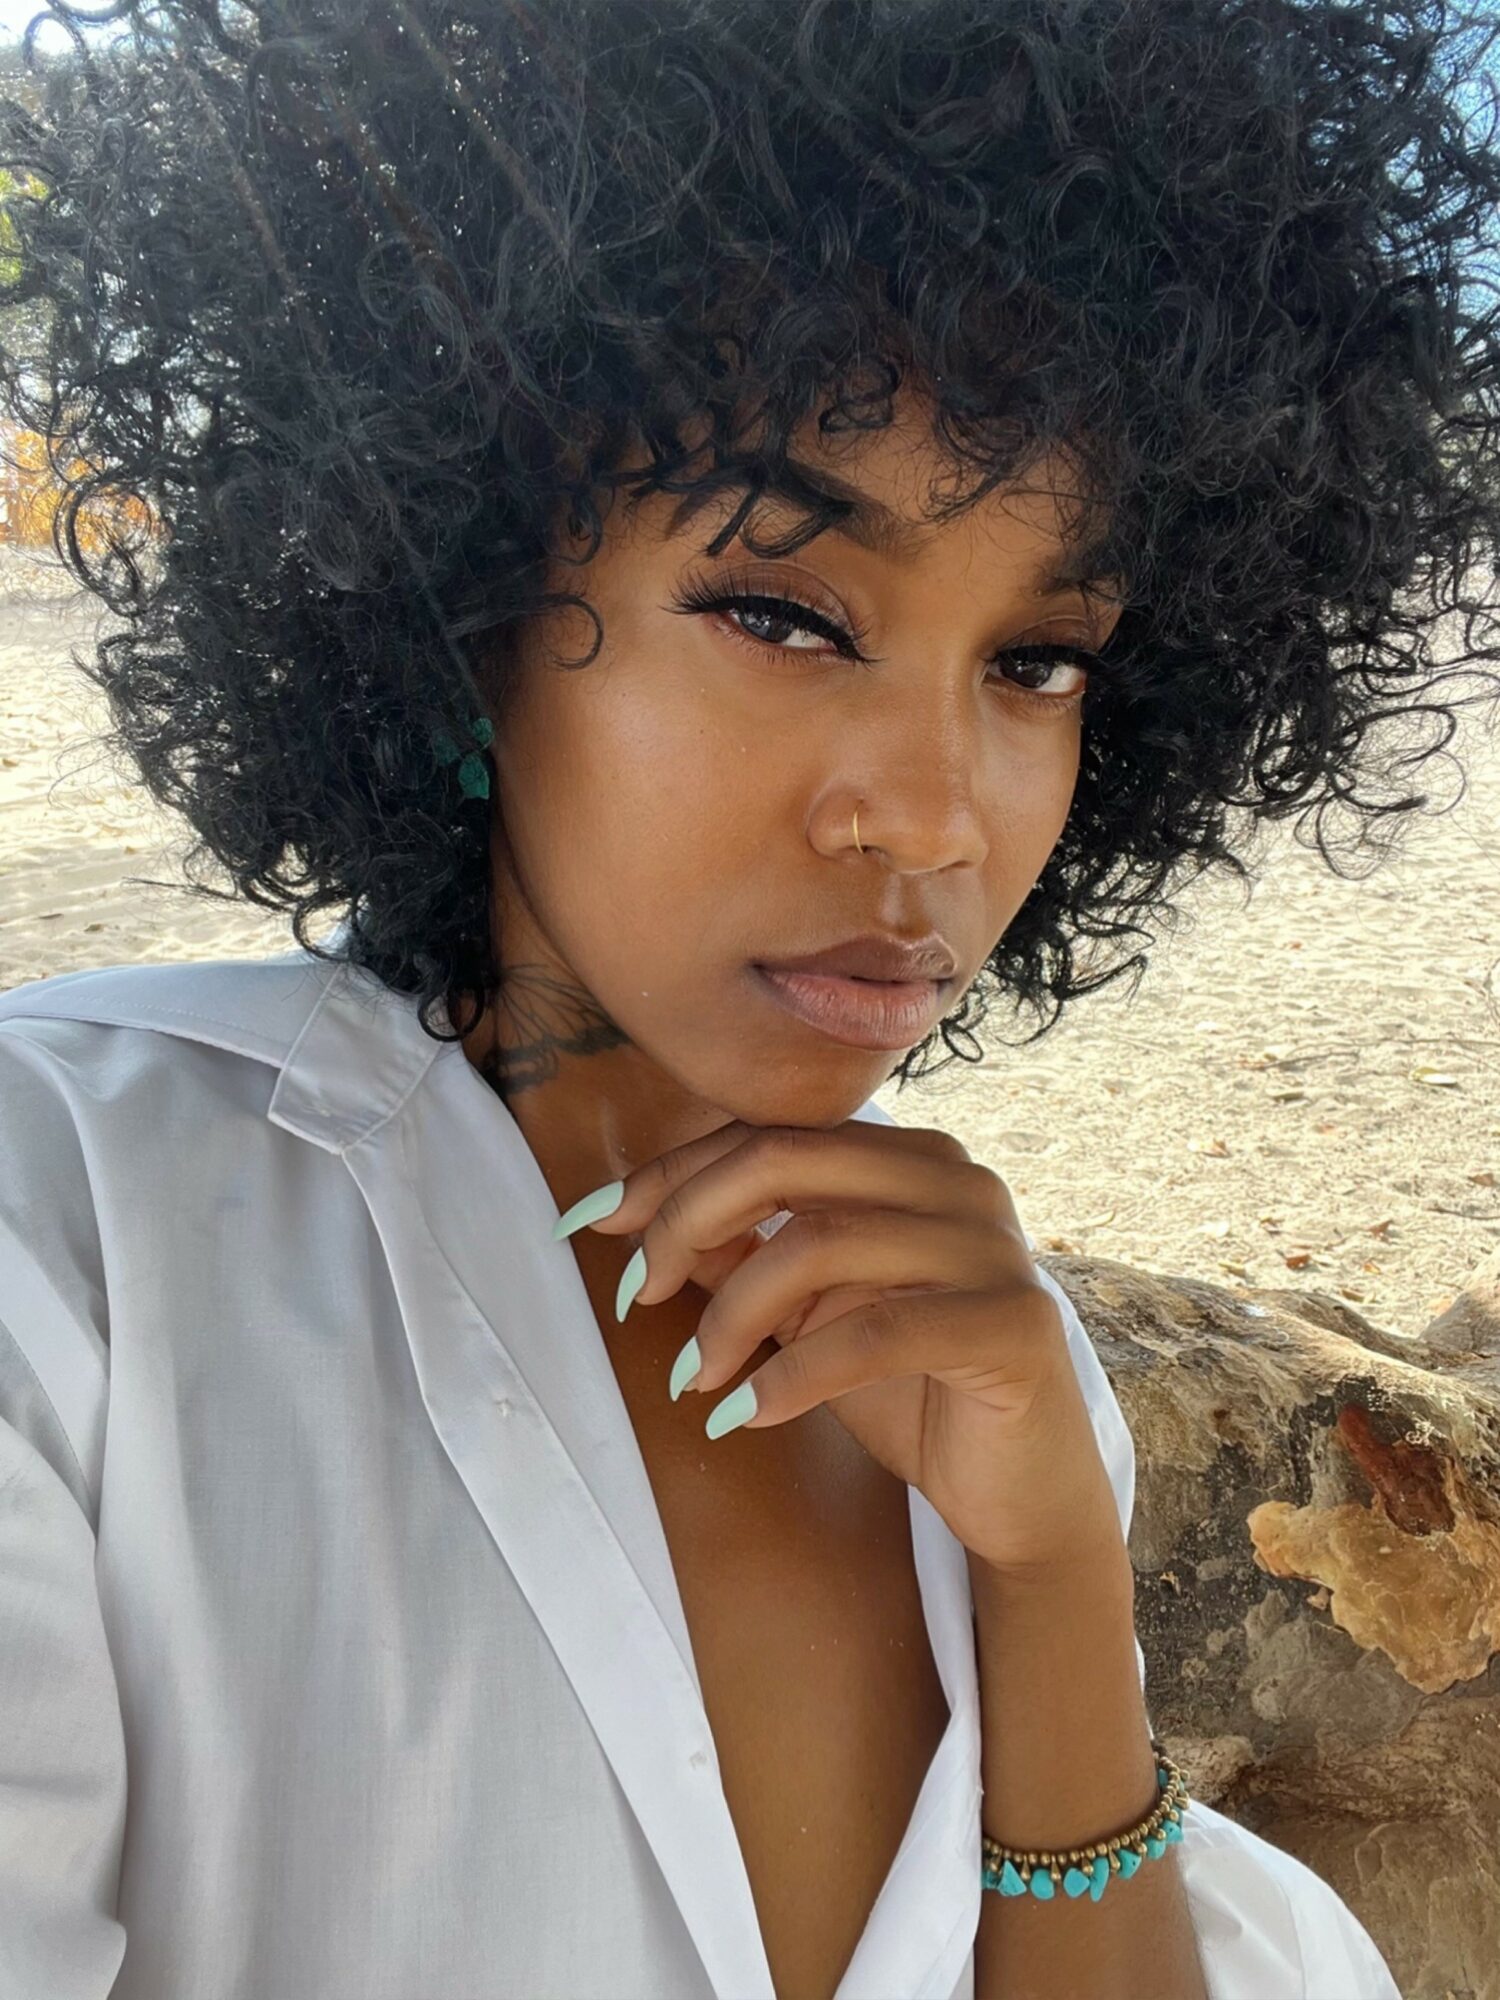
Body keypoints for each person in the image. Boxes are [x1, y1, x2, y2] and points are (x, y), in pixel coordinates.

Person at [0, 1, 1494, 1995]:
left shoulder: (990, 1363)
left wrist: (1053, 1575)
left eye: (1039, 661)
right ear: (461, 604)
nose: (937, 817)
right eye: (785, 611)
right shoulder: (63, 1242)